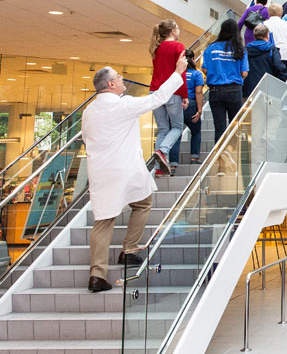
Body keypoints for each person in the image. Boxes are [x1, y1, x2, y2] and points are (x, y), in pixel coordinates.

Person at [81, 54, 186, 293]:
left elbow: (87, 139)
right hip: (125, 170)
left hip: (99, 171)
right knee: (143, 203)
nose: (121, 79)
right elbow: (158, 98)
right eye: (118, 77)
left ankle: (97, 275)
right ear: (110, 85)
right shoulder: (123, 104)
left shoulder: (89, 111)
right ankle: (129, 250)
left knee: (104, 221)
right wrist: (178, 72)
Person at [148, 19, 186, 176]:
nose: (179, 31)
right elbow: (181, 72)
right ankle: (163, 151)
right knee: (177, 127)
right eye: (177, 28)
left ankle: (159, 168)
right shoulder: (179, 47)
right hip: (172, 92)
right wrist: (184, 95)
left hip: (155, 92)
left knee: (163, 129)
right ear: (172, 31)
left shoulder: (156, 48)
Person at [201, 19, 248, 146]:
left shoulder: (210, 48)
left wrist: (215, 72)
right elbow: (244, 73)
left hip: (215, 91)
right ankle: (231, 154)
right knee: (234, 125)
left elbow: (205, 69)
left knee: (219, 127)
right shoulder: (240, 49)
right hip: (234, 89)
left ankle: (220, 157)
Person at [178, 50, 204, 165]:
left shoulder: (177, 73)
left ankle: (173, 162)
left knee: (176, 131)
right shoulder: (197, 74)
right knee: (196, 132)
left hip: (177, 104)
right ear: (193, 59)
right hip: (192, 104)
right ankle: (195, 158)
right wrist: (199, 110)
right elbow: (199, 92)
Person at [243, 24, 284, 95]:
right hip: (267, 88)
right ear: (267, 35)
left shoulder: (246, 50)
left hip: (248, 89)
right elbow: (279, 67)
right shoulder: (271, 49)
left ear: (254, 36)